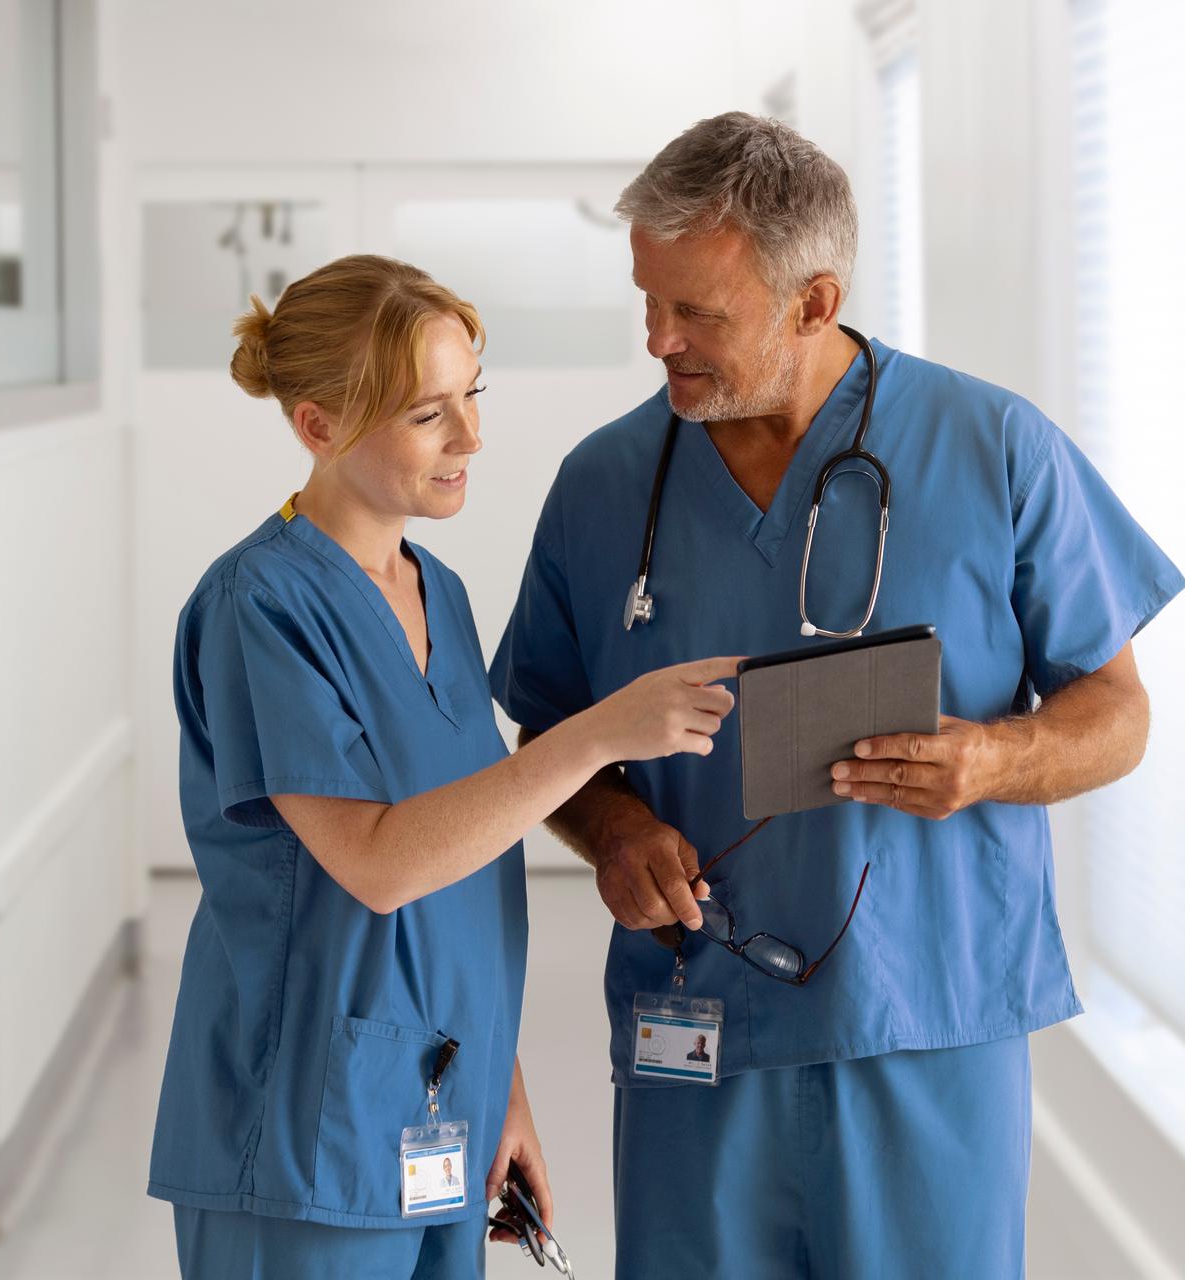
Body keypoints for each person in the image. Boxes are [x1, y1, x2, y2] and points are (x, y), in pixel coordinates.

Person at [490, 113, 1185, 1278]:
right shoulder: (606, 481)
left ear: (815, 301)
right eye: (646, 300)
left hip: (927, 1020)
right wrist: (611, 828)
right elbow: (549, 728)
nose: (658, 339)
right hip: (695, 1021)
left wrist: (995, 760)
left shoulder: (994, 446)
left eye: (696, 312)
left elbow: (1117, 711)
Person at [145, 254, 741, 1280]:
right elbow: (380, 863)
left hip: (439, 1113)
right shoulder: (262, 606)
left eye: (473, 396)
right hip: (309, 1126)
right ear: (318, 425)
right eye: (429, 414)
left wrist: (497, 1088)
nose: (472, 436)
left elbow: (466, 859)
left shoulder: (442, 593)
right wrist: (597, 735)